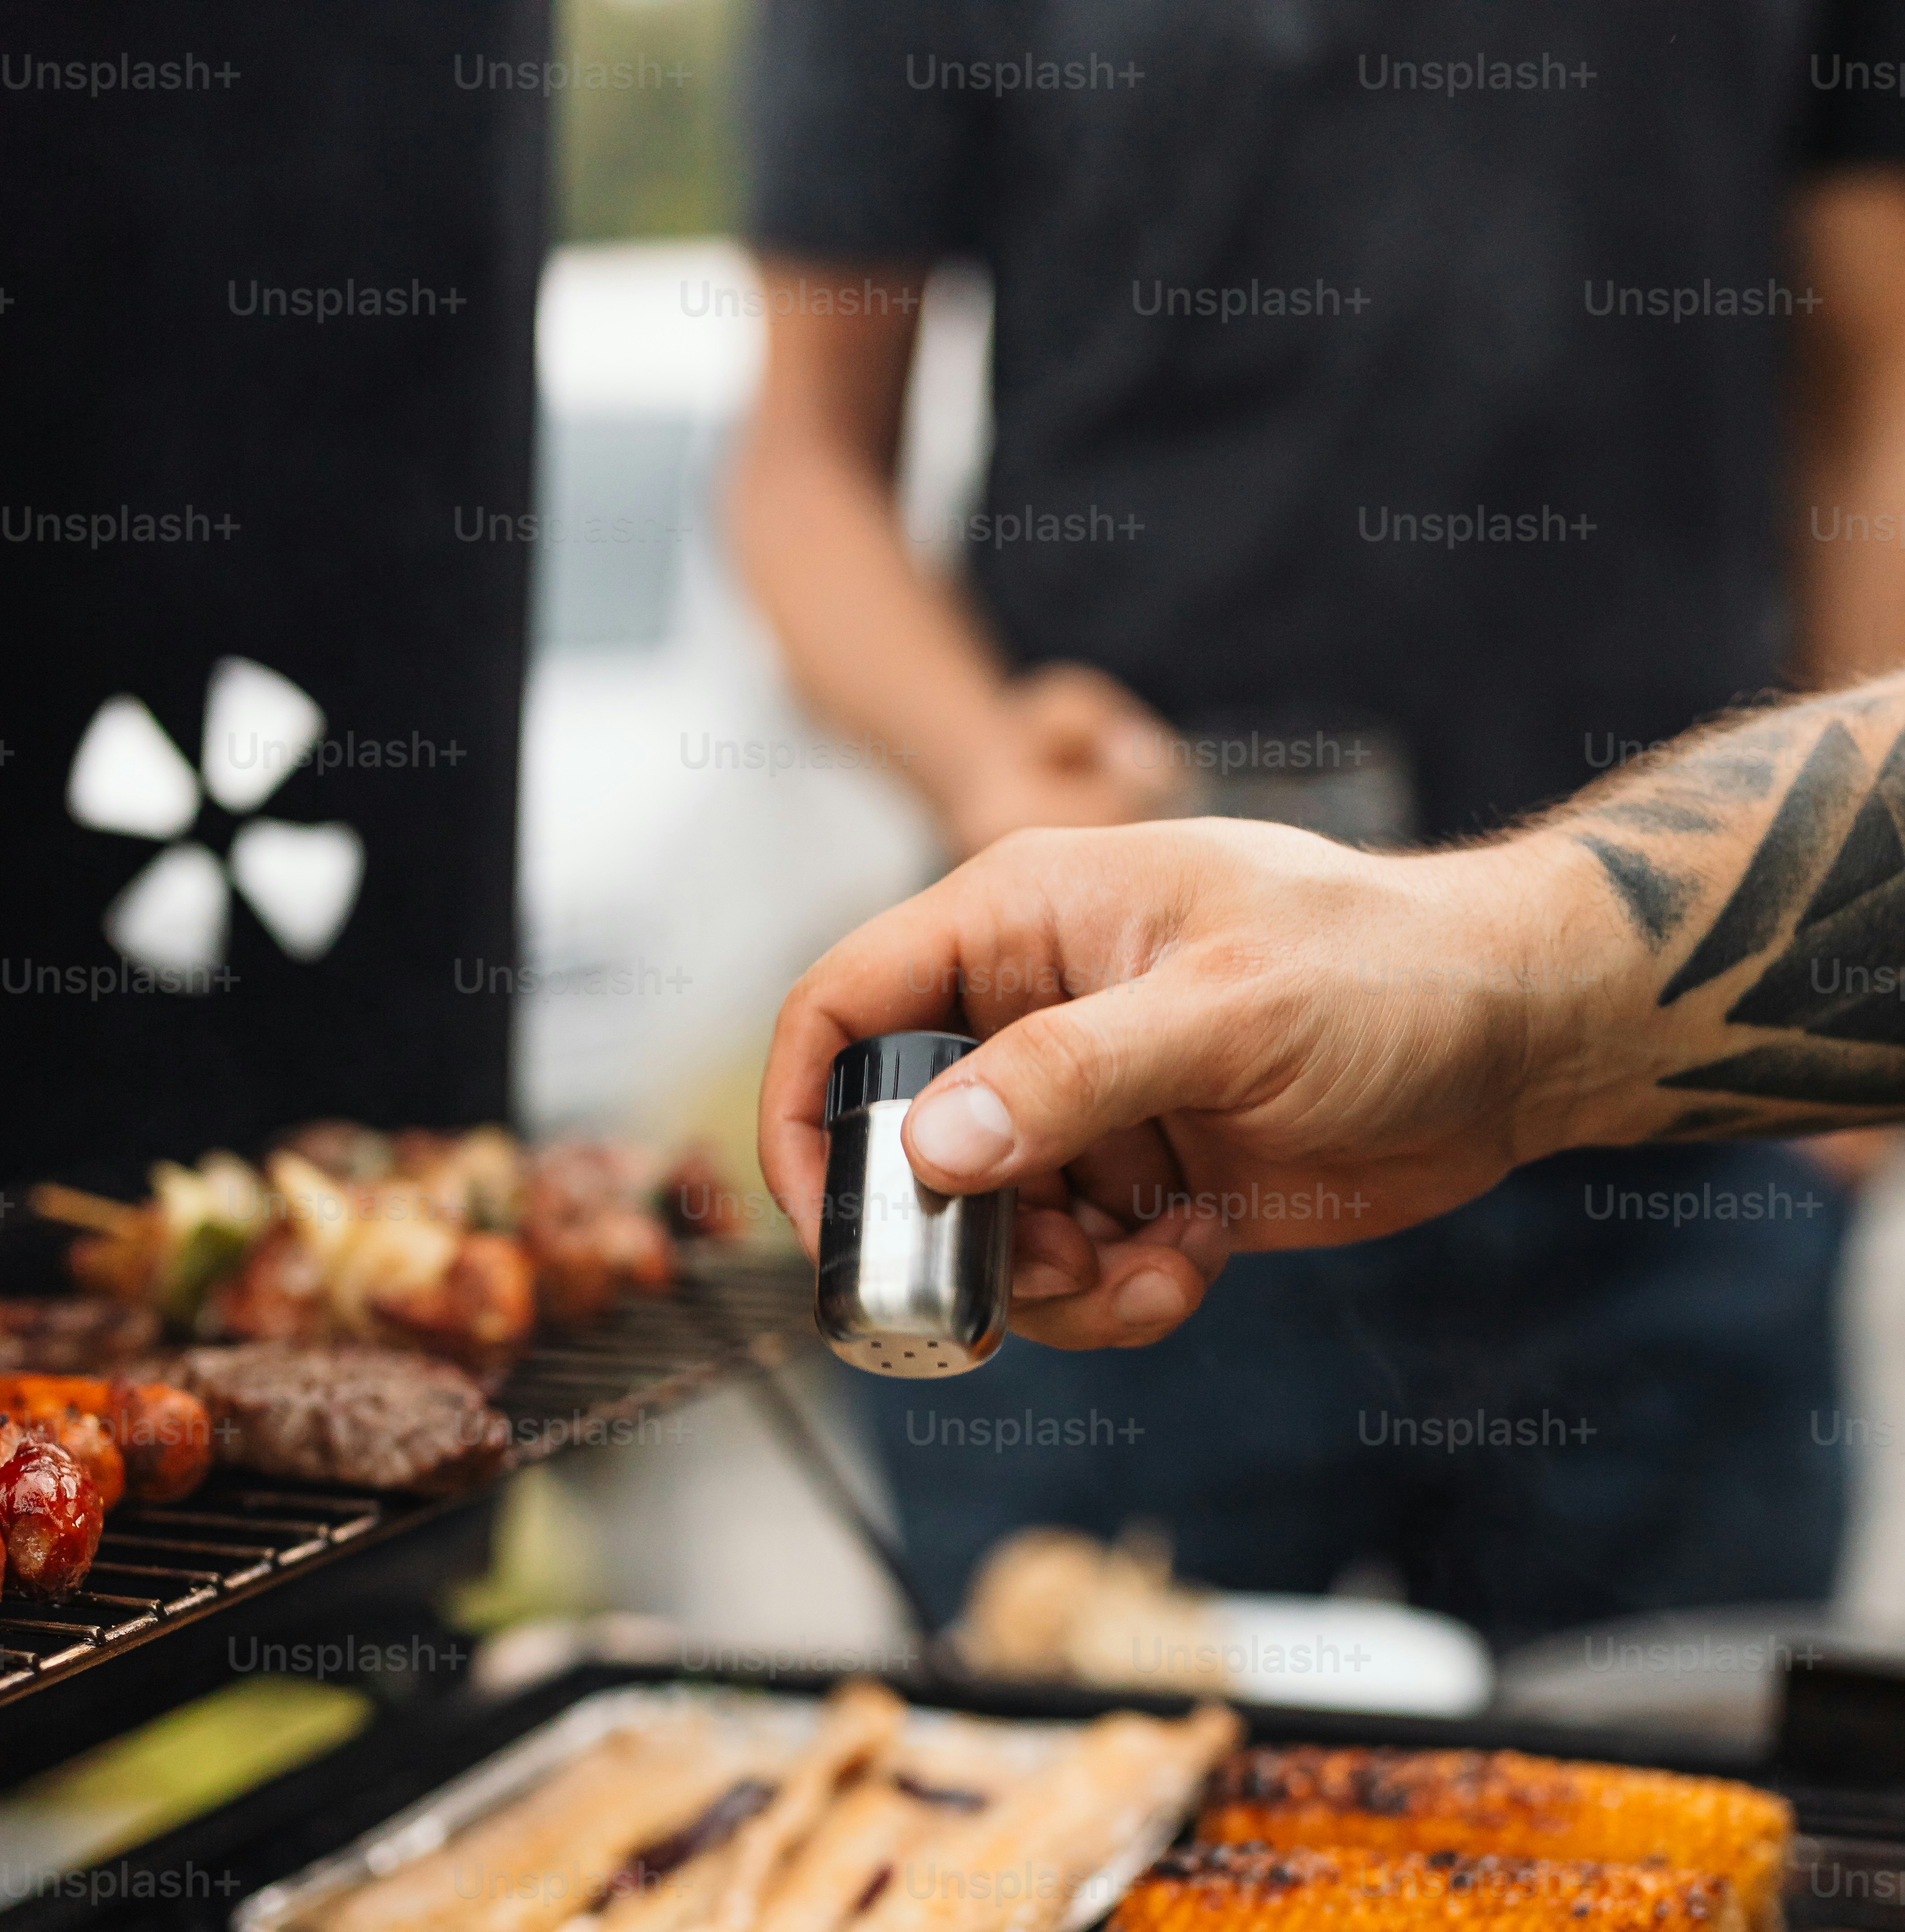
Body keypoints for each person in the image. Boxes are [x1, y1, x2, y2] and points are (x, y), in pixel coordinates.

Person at [733, 4, 1905, 1643]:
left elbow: (1879, 384)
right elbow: (800, 461)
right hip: (1130, 1115)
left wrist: (1844, 988)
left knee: (1664, 1772)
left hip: (1682, 1115)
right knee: (1076, 1776)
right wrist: (989, 760)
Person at [761, 670, 1905, 1343]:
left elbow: (1867, 416)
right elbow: (805, 461)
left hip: (1704, 1189)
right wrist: (986, 764)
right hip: (1188, 1157)